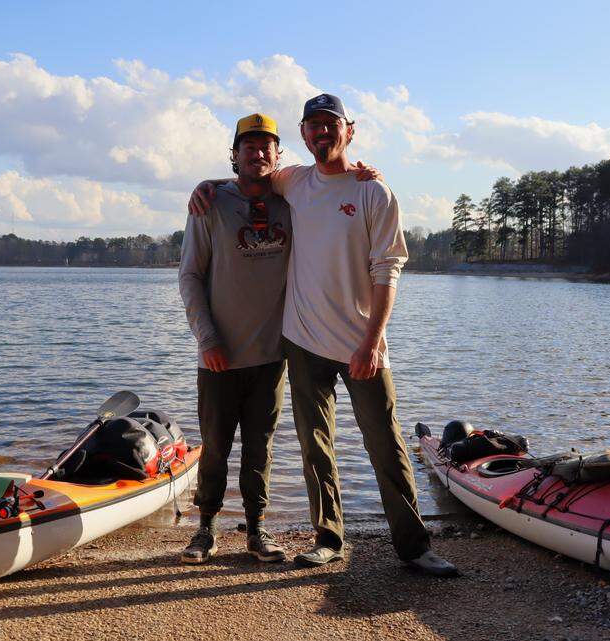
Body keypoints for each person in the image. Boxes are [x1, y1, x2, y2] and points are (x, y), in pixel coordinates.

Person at [191, 94, 458, 577]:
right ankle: (328, 538)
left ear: (348, 130)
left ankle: (415, 546)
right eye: (312, 126)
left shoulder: (373, 192)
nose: (321, 133)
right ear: (303, 134)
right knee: (316, 447)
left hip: (363, 344)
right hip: (302, 341)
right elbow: (247, 176)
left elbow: (388, 269)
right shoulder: (294, 181)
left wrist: (373, 341)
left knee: (386, 444)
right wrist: (205, 185)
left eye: (330, 124)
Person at [178, 113, 292, 564]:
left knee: (260, 448)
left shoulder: (291, 200)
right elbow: (189, 275)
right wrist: (207, 339)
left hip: (272, 354)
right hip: (219, 355)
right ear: (235, 154)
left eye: (267, 145)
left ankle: (257, 530)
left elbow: (331, 183)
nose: (258, 152)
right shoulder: (210, 204)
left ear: (278, 154)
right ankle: (205, 529)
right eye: (249, 145)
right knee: (215, 446)